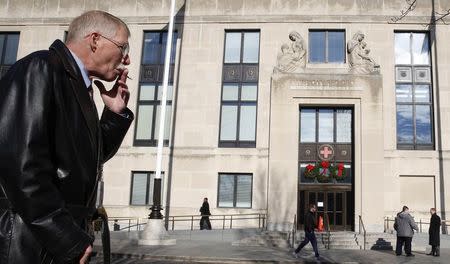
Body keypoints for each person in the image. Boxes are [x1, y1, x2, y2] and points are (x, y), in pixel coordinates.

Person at [0, 10, 134, 264]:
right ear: (95, 40)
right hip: (29, 243)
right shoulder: (42, 67)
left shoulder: (77, 85)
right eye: (122, 46)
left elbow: (86, 160)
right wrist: (64, 236)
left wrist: (115, 113)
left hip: (50, 241)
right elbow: (20, 164)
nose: (126, 59)